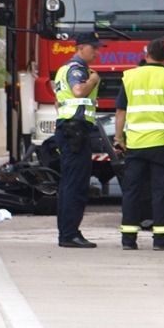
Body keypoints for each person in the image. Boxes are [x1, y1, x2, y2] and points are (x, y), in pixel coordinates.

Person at [115, 38, 164, 251]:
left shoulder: (130, 76)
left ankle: (128, 240)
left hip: (136, 143)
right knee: (161, 190)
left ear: (147, 53)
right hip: (161, 142)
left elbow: (121, 111)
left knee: (132, 191)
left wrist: (118, 138)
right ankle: (161, 239)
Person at [53, 32, 103, 248]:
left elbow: (59, 104)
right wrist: (93, 79)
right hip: (75, 131)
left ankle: (67, 232)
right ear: (81, 47)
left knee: (68, 184)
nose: (97, 51)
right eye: (94, 47)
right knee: (76, 185)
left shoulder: (64, 69)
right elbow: (78, 91)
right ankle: (69, 234)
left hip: (69, 130)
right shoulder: (77, 69)